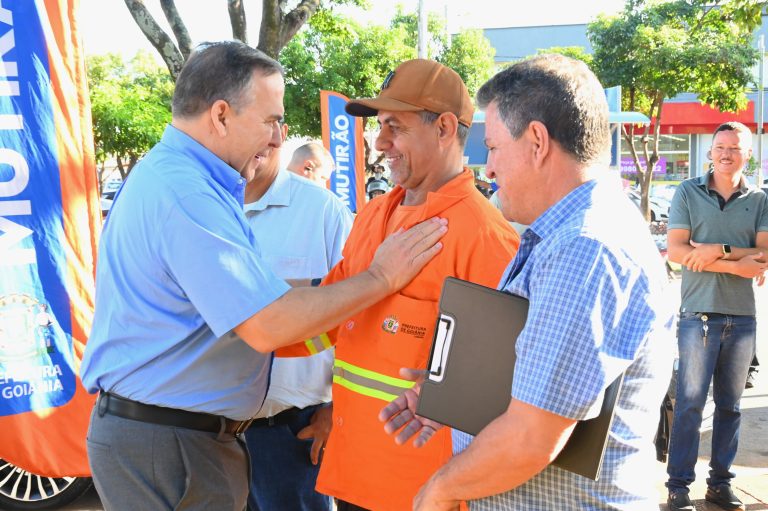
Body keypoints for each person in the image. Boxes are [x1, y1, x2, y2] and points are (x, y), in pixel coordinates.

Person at [79, 41, 447, 511]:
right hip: (171, 444)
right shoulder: (188, 193)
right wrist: (380, 278)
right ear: (220, 115)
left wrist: (341, 291)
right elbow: (267, 323)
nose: (278, 138)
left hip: (178, 437)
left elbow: (254, 296)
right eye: (271, 120)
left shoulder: (183, 179)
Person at [381, 54, 676, 510]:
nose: (489, 169)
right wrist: (462, 393)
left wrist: (439, 490)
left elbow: (532, 437)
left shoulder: (584, 246)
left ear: (537, 141)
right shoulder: (566, 234)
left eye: (494, 148)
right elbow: (549, 384)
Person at [279, 58, 519, 511]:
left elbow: (500, 390)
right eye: (379, 126)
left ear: (445, 127)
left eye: (394, 126)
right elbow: (327, 320)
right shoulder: (373, 214)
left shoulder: (485, 237)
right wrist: (244, 326)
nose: (379, 142)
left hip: (423, 491)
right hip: (352, 475)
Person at [242, 127, 353, 511]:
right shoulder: (203, 206)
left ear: (278, 133)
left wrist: (336, 412)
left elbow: (359, 315)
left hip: (292, 433)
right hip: (209, 437)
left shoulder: (323, 211)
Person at [665, 121, 768, 511]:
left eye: (735, 148)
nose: (727, 154)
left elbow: (765, 255)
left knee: (731, 406)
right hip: (698, 316)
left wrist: (714, 248)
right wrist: (734, 263)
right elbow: (676, 251)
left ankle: (719, 484)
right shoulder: (688, 191)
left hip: (742, 317)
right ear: (711, 151)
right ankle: (678, 487)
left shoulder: (759, 199)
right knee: (690, 403)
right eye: (720, 147)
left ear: (748, 154)